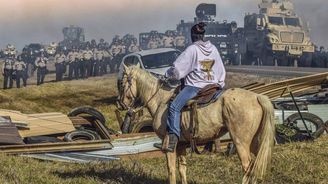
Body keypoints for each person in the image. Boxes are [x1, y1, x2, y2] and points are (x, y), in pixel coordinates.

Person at [154, 22, 226, 152]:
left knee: (174, 106)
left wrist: (167, 74)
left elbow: (177, 71)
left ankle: (172, 141)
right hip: (213, 86)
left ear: (192, 35)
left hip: (195, 87)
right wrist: (219, 84)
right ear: (203, 35)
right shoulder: (213, 48)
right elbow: (221, 69)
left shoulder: (192, 49)